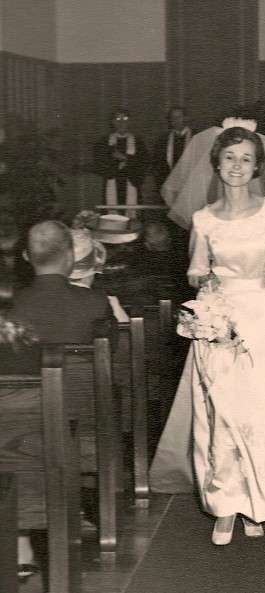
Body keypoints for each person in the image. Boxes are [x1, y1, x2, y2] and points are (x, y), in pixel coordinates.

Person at [149, 125, 265, 545]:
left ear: (258, 166)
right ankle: (226, 503)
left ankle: (257, 500)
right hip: (220, 322)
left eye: (246, 158)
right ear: (217, 163)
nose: (237, 166)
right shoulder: (204, 219)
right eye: (230, 157)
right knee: (223, 414)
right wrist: (206, 295)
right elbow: (195, 271)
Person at [4, 220, 116, 581]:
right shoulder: (94, 302)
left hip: (15, 435)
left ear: (26, 257)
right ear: (70, 257)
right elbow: (111, 360)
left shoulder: (11, 308)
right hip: (76, 425)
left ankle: (21, 546)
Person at [93, 109, 149, 218]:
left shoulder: (138, 142)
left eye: (125, 118)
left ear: (130, 122)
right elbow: (100, 163)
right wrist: (116, 164)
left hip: (132, 183)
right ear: (112, 122)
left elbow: (144, 163)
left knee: (133, 218)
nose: (121, 122)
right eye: (118, 118)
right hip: (112, 183)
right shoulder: (104, 142)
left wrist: (125, 159)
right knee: (111, 218)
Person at [152, 106, 194, 190]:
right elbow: (157, 164)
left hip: (191, 183)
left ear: (185, 118)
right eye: (173, 117)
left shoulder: (196, 137)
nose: (176, 120)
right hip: (169, 184)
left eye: (179, 117)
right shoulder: (163, 140)